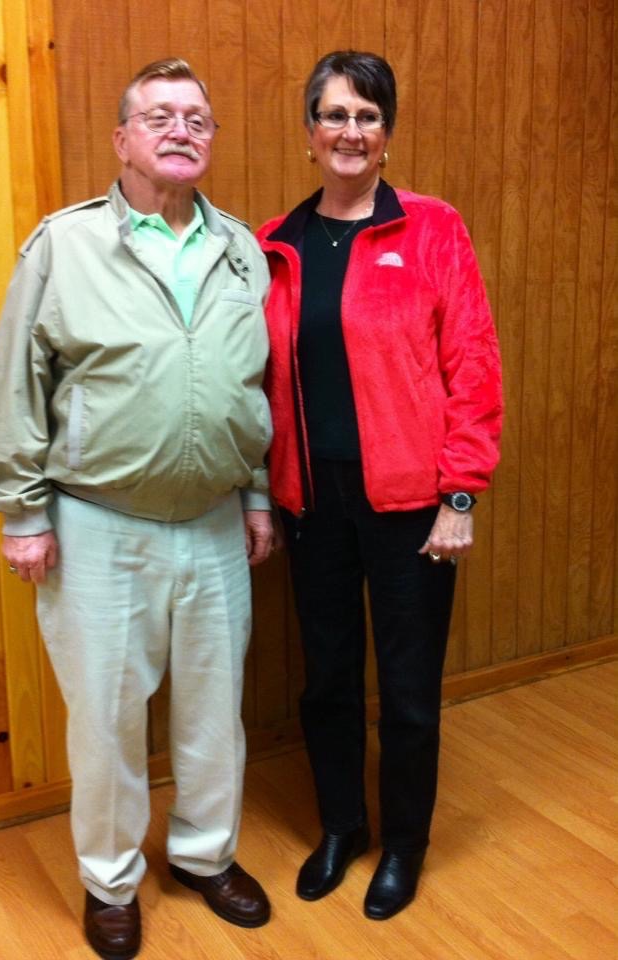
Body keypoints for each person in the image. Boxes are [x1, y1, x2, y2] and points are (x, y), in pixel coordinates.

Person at [0, 58, 274, 960]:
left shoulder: (241, 249)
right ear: (122, 139)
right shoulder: (63, 245)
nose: (182, 129)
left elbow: (252, 388)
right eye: (160, 116)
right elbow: (15, 386)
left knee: (215, 713)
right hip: (97, 525)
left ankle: (203, 855)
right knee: (106, 720)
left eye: (198, 117)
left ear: (211, 141)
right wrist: (21, 513)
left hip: (217, 522)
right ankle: (110, 880)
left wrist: (257, 496)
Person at [257, 50, 503, 921]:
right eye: (333, 114)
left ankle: (404, 844)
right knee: (326, 681)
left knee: (406, 690)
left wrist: (460, 494)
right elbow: (257, 385)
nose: (349, 130)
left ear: (387, 135)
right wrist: (266, 493)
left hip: (413, 510)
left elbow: (473, 364)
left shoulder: (433, 228)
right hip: (314, 506)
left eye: (366, 115)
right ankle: (341, 828)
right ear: (310, 132)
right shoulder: (273, 246)